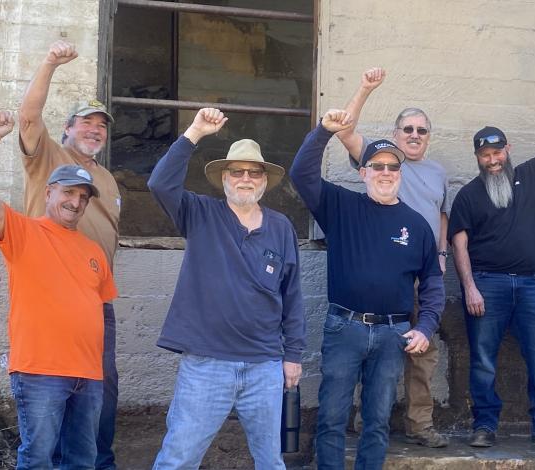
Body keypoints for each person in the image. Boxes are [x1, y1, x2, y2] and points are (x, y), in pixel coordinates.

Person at [146, 108, 304, 469]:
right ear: (225, 179)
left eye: (254, 172)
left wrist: (292, 355)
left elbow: (292, 297)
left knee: (271, 461)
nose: (245, 178)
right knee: (179, 458)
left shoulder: (281, 228)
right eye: (237, 172)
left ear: (264, 180)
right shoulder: (199, 213)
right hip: (207, 363)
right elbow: (160, 184)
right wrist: (194, 133)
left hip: (265, 365)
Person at [291, 109, 443, 469]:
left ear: (400, 174)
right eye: (377, 166)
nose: (385, 173)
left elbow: (433, 282)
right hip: (345, 328)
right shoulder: (340, 206)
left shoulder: (417, 225)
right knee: (331, 418)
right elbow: (301, 174)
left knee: (377, 422)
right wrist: (323, 132)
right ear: (363, 172)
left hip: (394, 333)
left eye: (392, 167)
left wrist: (425, 327)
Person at [0, 110, 117, 469]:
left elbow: (95, 310)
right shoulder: (24, 232)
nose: (75, 202)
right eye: (68, 193)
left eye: (83, 197)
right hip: (41, 372)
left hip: (88, 375)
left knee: (82, 460)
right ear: (49, 192)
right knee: (38, 458)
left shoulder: (93, 251)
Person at [448, 80, 535, 448]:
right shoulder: (469, 195)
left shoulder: (531, 176)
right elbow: (459, 244)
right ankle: (485, 426)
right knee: (483, 360)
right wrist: (470, 287)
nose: (492, 161)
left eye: (497, 152)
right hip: (487, 285)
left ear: (507, 149)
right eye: (485, 155)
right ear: (477, 157)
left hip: (534, 284)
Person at [16, 40, 123, 467]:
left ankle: (100, 461)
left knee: (102, 388)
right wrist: (49, 63)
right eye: (85, 122)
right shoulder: (49, 158)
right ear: (67, 128)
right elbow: (28, 117)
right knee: (52, 391)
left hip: (97, 300)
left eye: (102, 125)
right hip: (49, 297)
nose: (95, 130)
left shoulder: (109, 180)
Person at [332, 68, 451, 448]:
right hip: (385, 271)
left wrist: (442, 252)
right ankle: (366, 421)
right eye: (408, 130)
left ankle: (420, 425)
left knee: (423, 352)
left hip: (424, 271)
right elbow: (346, 132)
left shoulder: (438, 173)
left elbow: (442, 214)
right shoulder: (382, 162)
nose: (414, 136)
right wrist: (365, 88)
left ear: (428, 138)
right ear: (396, 135)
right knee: (371, 347)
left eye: (422, 131)